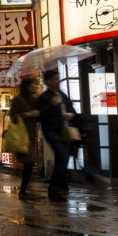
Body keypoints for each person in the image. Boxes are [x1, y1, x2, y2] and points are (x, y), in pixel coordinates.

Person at [37, 69, 76, 201]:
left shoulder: (62, 95)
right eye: (55, 79)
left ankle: (61, 187)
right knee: (62, 155)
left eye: (58, 78)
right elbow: (40, 115)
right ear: (48, 82)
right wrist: (52, 105)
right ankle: (55, 188)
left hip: (64, 130)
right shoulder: (44, 97)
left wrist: (70, 114)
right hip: (51, 130)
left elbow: (71, 109)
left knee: (63, 157)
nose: (58, 81)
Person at [10, 77, 41, 201]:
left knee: (29, 164)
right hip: (21, 137)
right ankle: (22, 191)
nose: (36, 86)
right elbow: (13, 117)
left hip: (30, 136)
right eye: (34, 84)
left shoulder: (34, 100)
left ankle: (23, 191)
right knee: (28, 163)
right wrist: (28, 114)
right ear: (27, 86)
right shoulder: (18, 99)